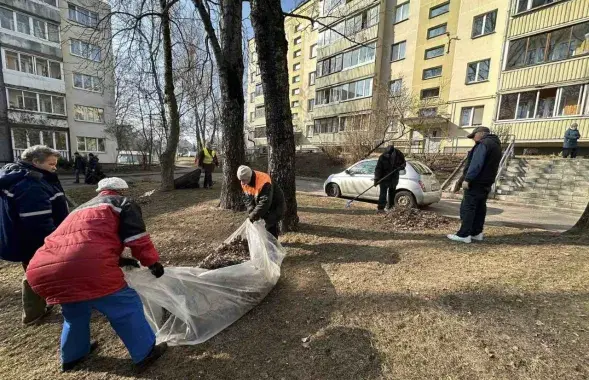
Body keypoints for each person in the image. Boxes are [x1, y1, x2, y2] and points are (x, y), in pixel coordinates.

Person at [26, 177, 167, 373]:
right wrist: (152, 263)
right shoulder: (123, 203)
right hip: (85, 268)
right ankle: (145, 352)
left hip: (42, 268)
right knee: (125, 307)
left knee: (75, 312)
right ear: (122, 191)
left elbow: (84, 240)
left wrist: (120, 260)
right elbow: (137, 238)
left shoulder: (80, 209)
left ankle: (73, 356)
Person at [0, 145, 68, 325]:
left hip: (23, 239)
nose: (54, 167)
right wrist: (53, 243)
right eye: (51, 164)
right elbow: (37, 221)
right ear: (35, 162)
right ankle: (34, 312)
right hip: (35, 241)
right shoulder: (30, 185)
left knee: (35, 271)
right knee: (38, 273)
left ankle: (39, 307)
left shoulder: (20, 175)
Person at [447, 127, 502, 244]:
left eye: (474, 136)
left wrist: (467, 179)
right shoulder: (496, 145)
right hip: (487, 182)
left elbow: (476, 163)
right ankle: (476, 233)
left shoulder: (483, 144)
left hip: (476, 182)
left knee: (468, 208)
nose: (473, 139)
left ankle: (464, 234)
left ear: (481, 134)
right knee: (480, 208)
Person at [237, 165, 285, 239]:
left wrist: (253, 215)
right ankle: (265, 242)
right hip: (263, 205)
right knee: (260, 224)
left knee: (270, 225)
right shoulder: (244, 181)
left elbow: (265, 202)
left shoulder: (264, 182)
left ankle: (273, 246)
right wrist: (251, 209)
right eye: (241, 180)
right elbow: (247, 198)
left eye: (243, 180)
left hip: (275, 206)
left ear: (249, 177)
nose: (242, 183)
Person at [374, 144, 406, 213]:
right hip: (384, 178)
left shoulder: (399, 155)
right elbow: (378, 169)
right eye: (387, 154)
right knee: (383, 194)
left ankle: (391, 207)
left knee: (392, 194)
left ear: (393, 151)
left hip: (393, 178)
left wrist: (400, 167)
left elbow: (404, 164)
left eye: (390, 154)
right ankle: (381, 208)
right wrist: (376, 179)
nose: (388, 155)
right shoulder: (382, 157)